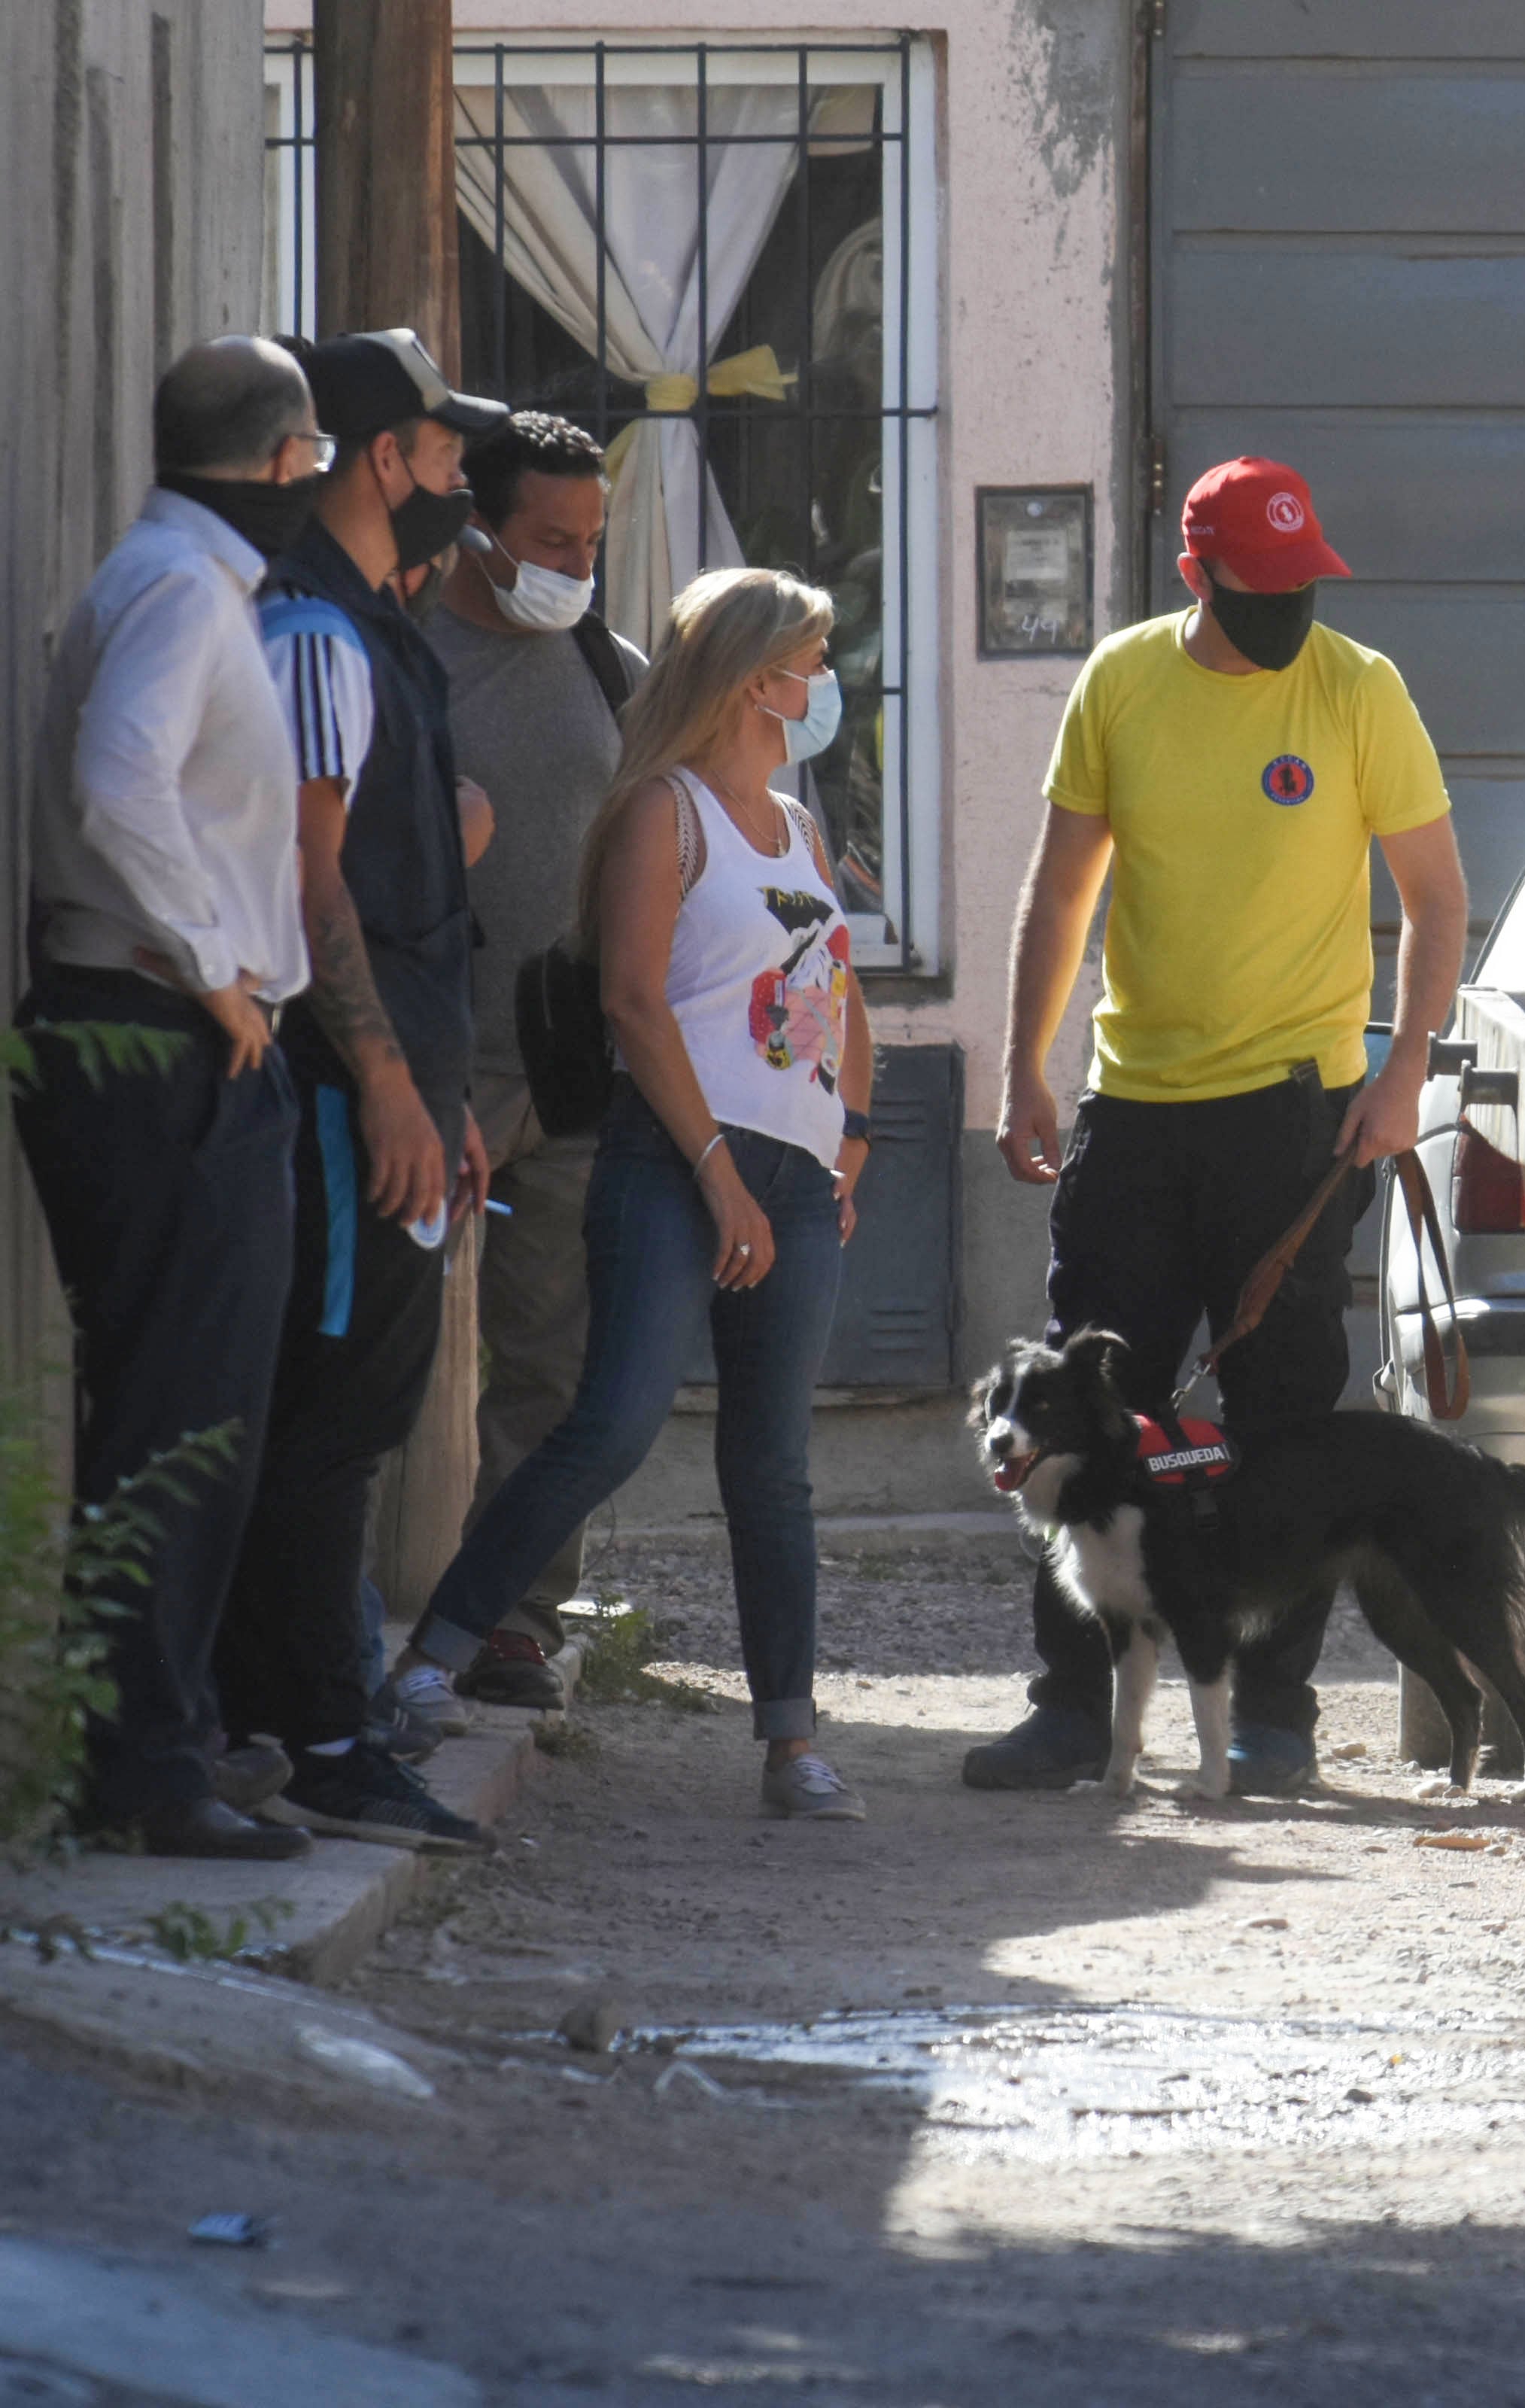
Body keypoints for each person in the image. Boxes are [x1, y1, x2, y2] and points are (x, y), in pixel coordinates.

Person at [968, 457, 1465, 1796]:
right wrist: (1023, 1067)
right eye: (1261, 587)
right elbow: (1062, 890)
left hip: (1294, 1125)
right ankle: (1071, 1707)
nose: (1288, 608)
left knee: (1282, 1425)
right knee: (1089, 1410)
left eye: (1306, 584)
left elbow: (1434, 897)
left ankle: (1273, 1716)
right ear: (1197, 575)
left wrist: (1404, 1063)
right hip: (1135, 1113)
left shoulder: (1359, 691)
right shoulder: (1122, 682)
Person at [379, 569, 876, 1822]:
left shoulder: (801, 826)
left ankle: (791, 1745)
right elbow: (633, 1004)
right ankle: (430, 1660)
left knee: (774, 1470)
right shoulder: (665, 812)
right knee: (611, 1423)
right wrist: (719, 1174)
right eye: (810, 659)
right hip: (671, 1164)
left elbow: (842, 995)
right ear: (754, 674)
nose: (822, 684)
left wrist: (849, 1141)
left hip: (797, 1176)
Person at [14, 339, 327, 1859]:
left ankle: (169, 1729)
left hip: (148, 1027)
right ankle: (146, 1766)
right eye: (313, 458)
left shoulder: (168, 574)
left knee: (189, 1404)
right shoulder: (187, 592)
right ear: (284, 460)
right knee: (178, 1418)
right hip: (159, 1038)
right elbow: (116, 778)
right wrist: (214, 971)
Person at [210, 328, 506, 1854]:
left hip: (397, 1088)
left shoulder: (374, 625)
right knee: (324, 1419)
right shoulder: (316, 632)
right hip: (337, 1099)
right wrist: (385, 1082)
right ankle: (319, 1733)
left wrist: (437, 1088)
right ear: (383, 456)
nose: (464, 477)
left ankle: (299, 1713)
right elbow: (312, 884)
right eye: (449, 450)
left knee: (359, 1405)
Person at [427, 410, 638, 1711]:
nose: (574, 562)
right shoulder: (400, 654)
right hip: (415, 1068)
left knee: (552, 1364)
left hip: (567, 1076)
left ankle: (514, 1616)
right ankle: (332, 1614)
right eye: (549, 538)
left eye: (593, 540)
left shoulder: (609, 666)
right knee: (369, 1366)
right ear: (478, 528)